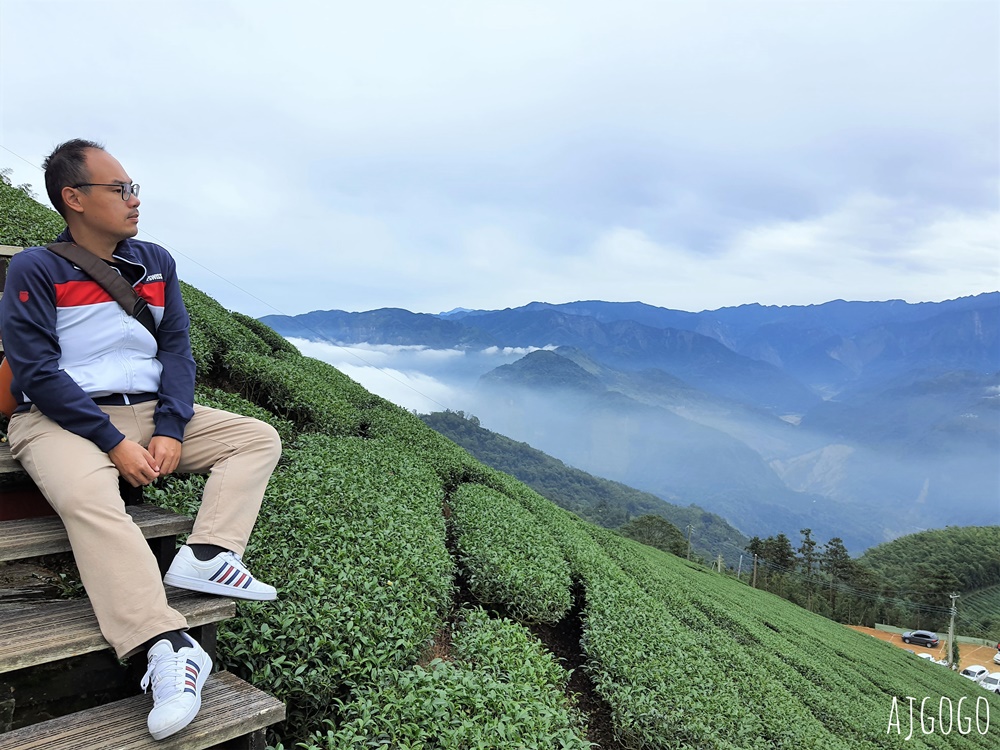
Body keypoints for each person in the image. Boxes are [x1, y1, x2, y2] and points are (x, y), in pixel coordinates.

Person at [0, 139, 282, 741]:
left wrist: (172, 427)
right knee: (89, 500)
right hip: (57, 418)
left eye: (135, 188)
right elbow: (37, 371)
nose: (134, 200)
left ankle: (208, 555)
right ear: (73, 199)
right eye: (119, 189)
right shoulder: (36, 268)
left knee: (256, 437)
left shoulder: (155, 260)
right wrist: (111, 441)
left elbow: (176, 347)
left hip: (149, 410)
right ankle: (167, 644)